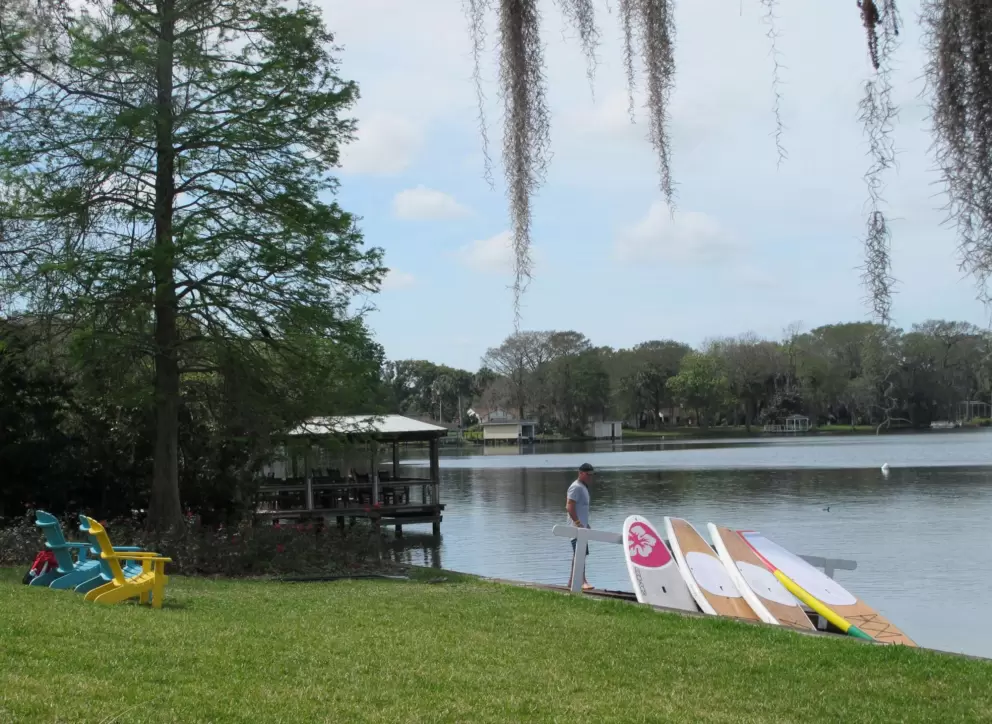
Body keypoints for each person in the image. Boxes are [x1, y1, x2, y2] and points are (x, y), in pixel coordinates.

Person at [565, 462, 594, 591]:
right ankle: (583, 581)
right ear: (580, 473)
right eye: (588, 474)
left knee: (578, 554)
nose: (590, 477)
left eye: (591, 475)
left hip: (582, 527)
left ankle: (571, 580)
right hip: (576, 528)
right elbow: (569, 507)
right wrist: (578, 524)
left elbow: (581, 508)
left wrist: (586, 524)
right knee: (580, 553)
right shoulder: (575, 487)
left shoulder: (583, 487)